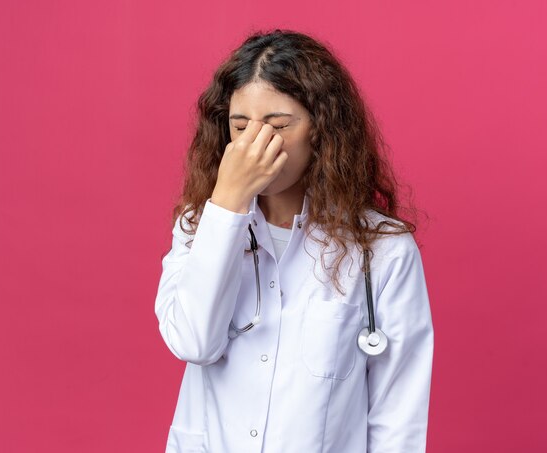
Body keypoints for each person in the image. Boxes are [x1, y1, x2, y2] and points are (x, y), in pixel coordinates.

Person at [154, 28, 434, 453]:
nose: (254, 143)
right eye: (240, 125)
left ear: (321, 130)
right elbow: (193, 342)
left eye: (278, 125)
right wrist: (228, 204)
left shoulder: (382, 250)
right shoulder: (199, 227)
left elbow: (398, 417)